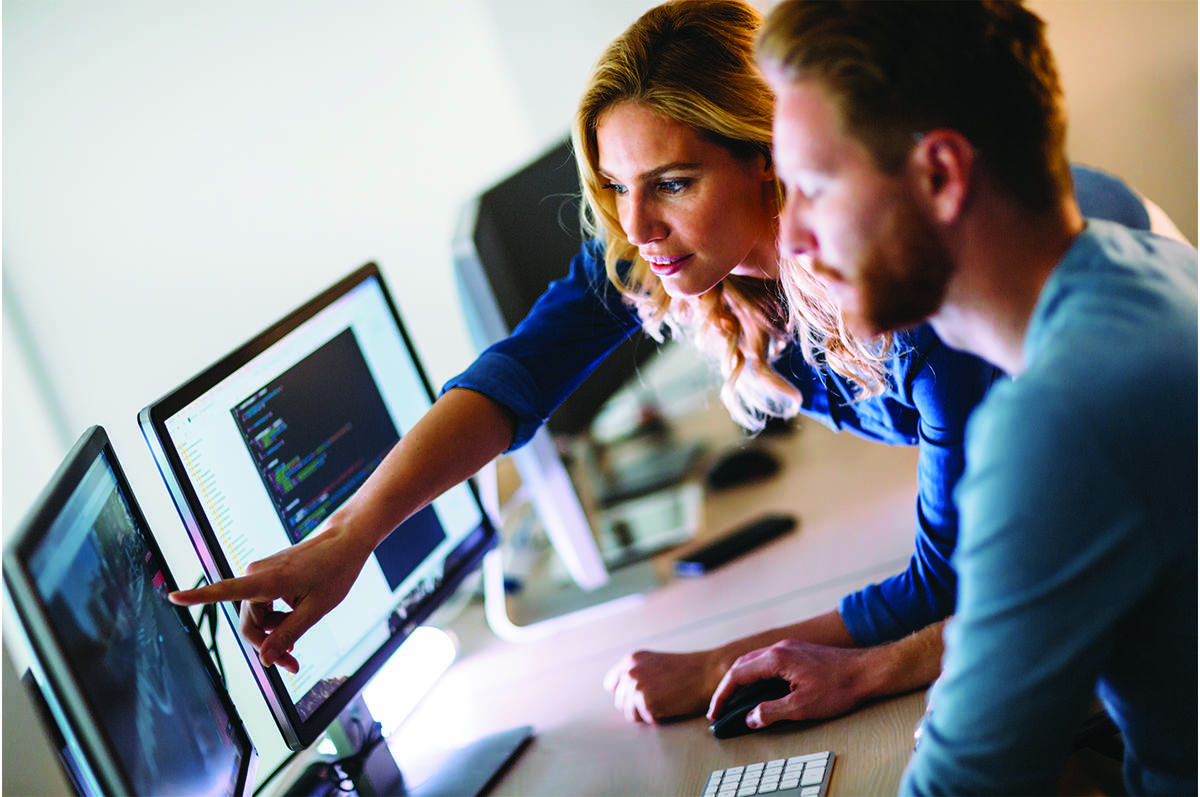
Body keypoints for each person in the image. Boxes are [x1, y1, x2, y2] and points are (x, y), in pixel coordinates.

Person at [168, 0, 1174, 735]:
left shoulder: (919, 285)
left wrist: (720, 666)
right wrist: (349, 537)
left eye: (674, 182)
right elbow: (515, 377)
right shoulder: (682, 250)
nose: (637, 227)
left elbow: (949, 580)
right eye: (613, 186)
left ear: (768, 159)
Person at [705, 1, 1196, 794]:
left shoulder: (1060, 417)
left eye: (813, 188)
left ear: (940, 175)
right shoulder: (1137, 265)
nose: (788, 237)